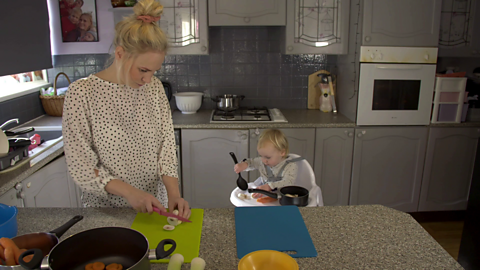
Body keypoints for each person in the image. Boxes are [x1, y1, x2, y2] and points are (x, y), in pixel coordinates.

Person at [62, 0, 190, 218]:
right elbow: (81, 166)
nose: (148, 79)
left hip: (153, 208)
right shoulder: (82, 94)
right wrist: (130, 193)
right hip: (104, 211)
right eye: (143, 70)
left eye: (154, 71)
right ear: (120, 54)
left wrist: (174, 194)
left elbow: (166, 148)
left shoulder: (155, 88)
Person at [234, 129, 303, 198]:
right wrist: (244, 165)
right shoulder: (262, 161)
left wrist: (270, 186)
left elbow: (289, 182)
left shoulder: (290, 166)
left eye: (268, 157)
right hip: (265, 195)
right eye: (261, 156)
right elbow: (252, 162)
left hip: (282, 198)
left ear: (282, 153)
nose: (264, 160)